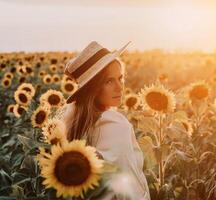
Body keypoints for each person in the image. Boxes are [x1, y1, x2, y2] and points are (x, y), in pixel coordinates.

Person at [55, 41, 151, 200]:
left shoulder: (75, 123)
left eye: (120, 78)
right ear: (93, 88)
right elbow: (130, 188)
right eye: (109, 81)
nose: (120, 87)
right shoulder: (116, 125)